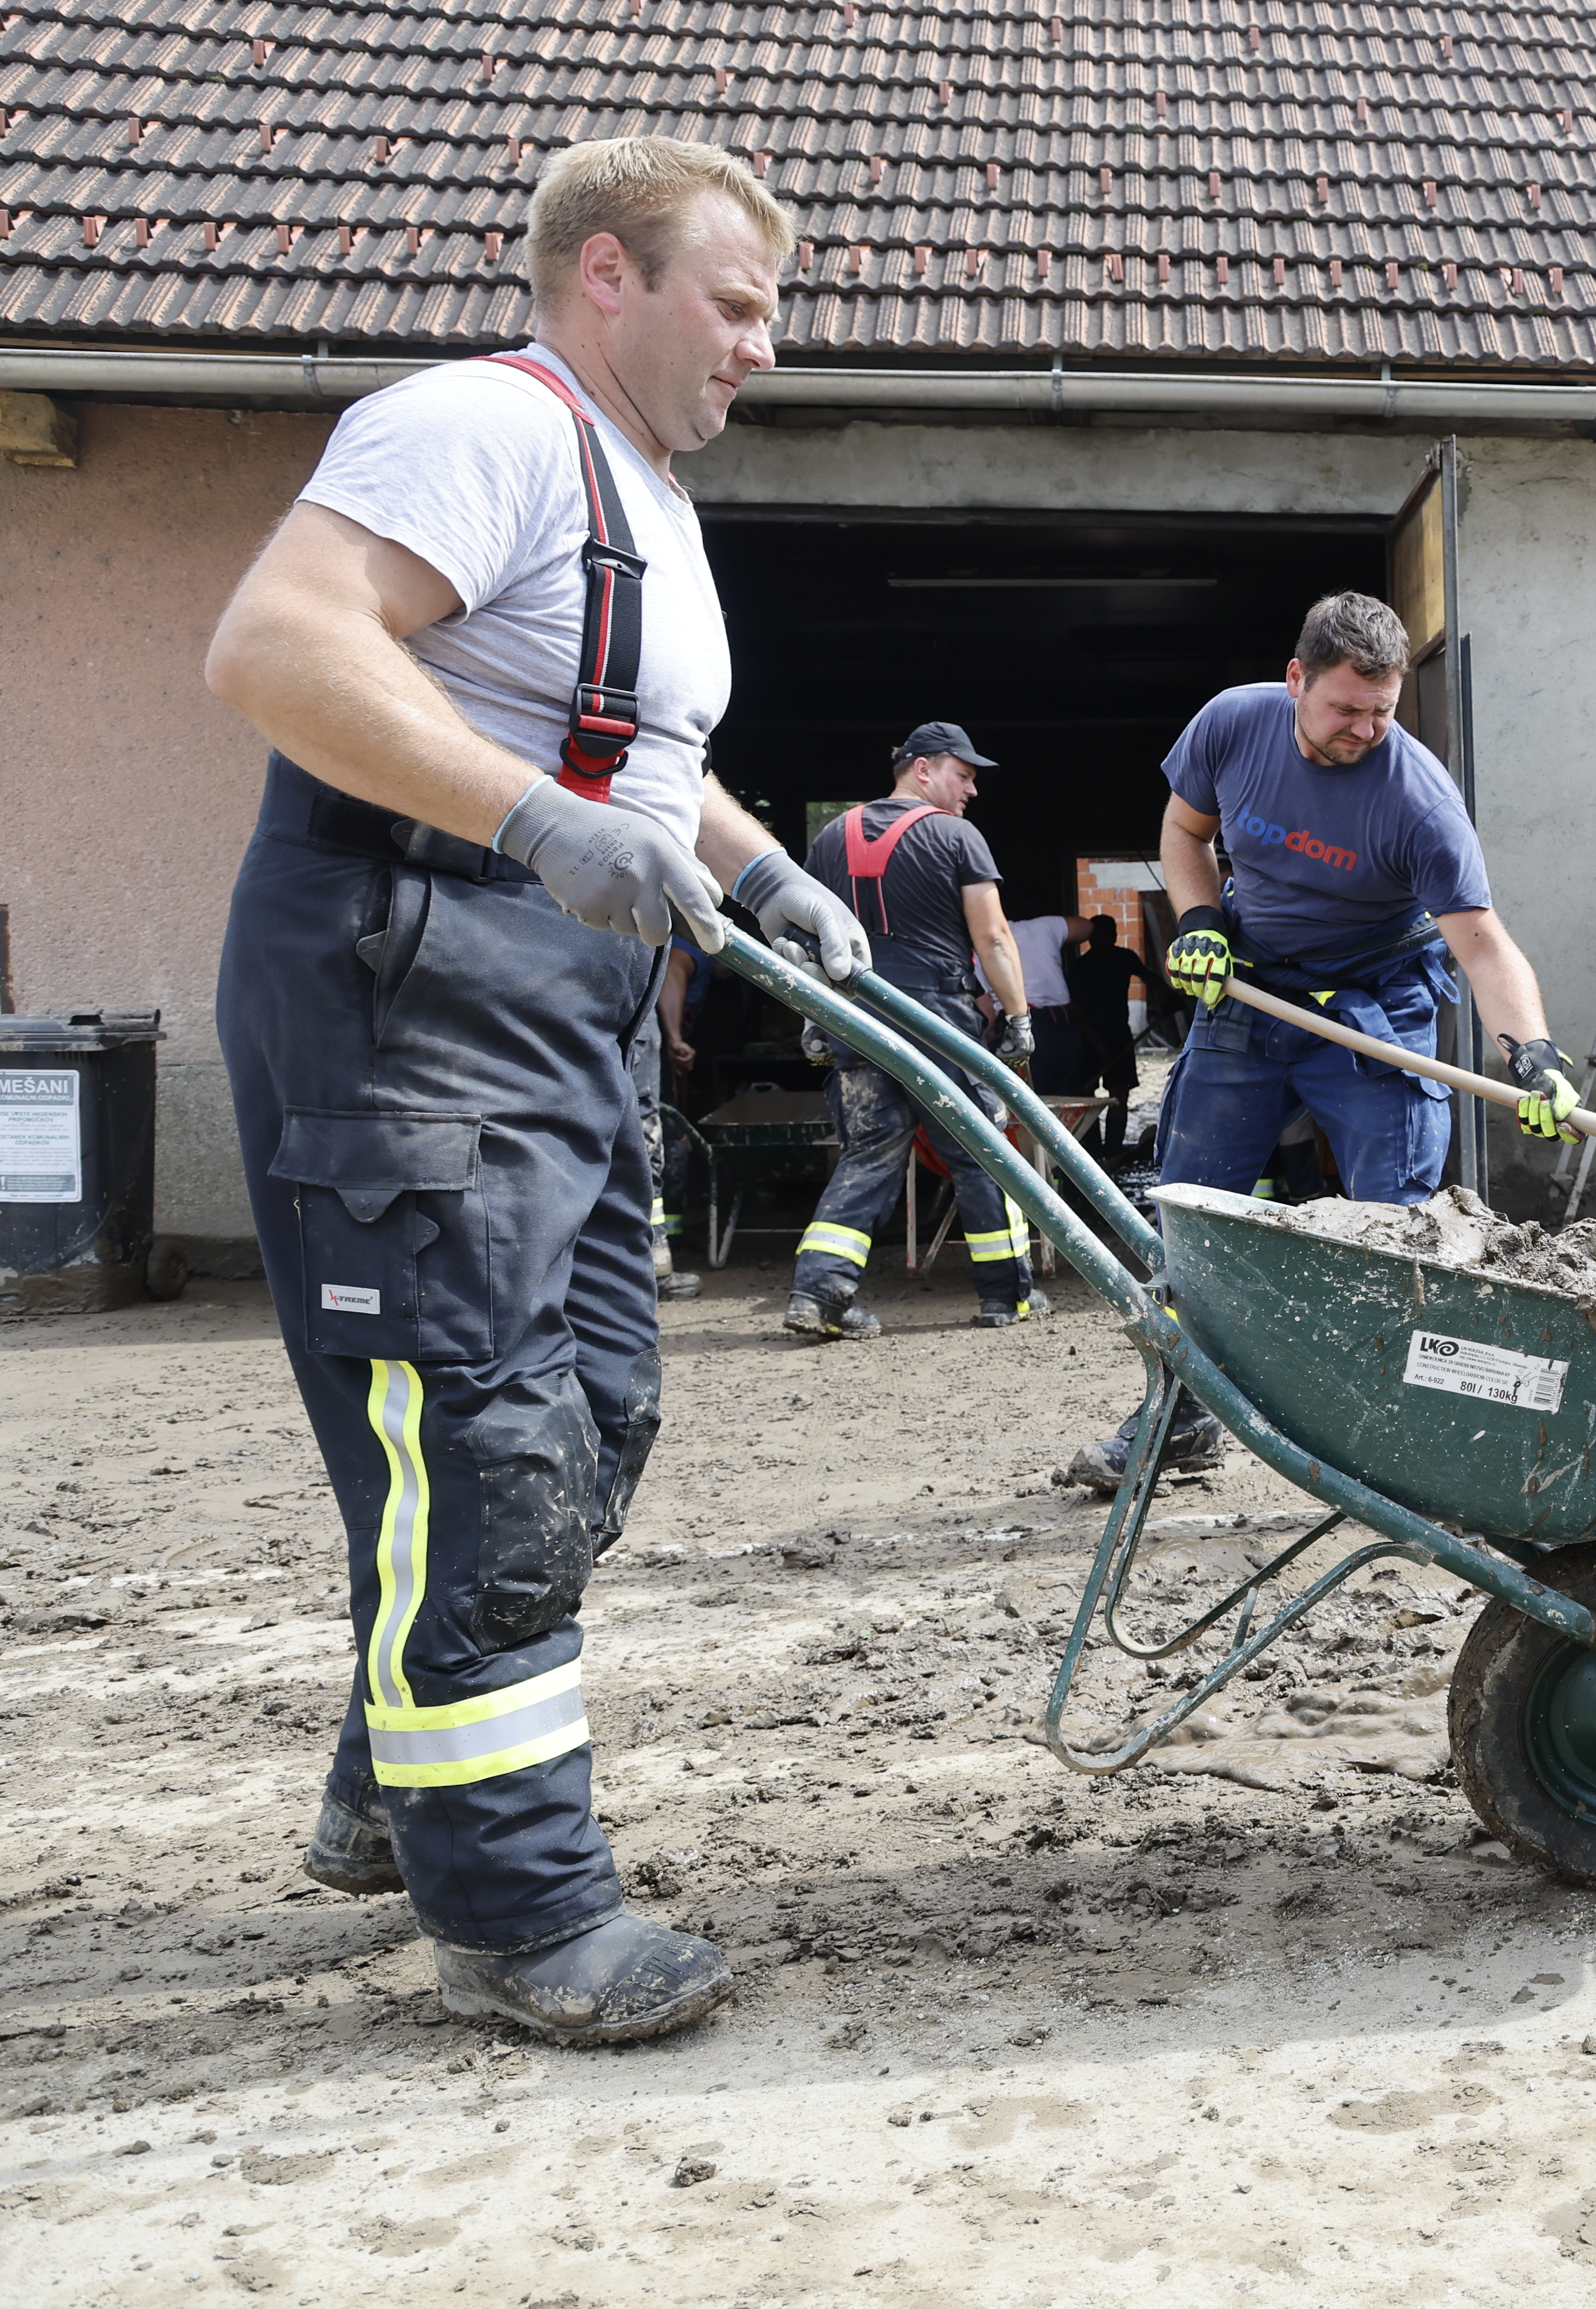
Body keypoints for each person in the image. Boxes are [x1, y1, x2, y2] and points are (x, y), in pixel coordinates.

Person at [201, 136, 872, 2046]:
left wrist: (763, 872)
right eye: (737, 304)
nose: (764, 346)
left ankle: (390, 1788)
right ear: (604, 274)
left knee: (593, 1418)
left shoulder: (641, 493)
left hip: (564, 988)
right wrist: (529, 821)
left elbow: (631, 753)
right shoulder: (476, 427)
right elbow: (279, 645)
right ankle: (519, 1913)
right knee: (481, 1434)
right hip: (411, 973)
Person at [1060, 591, 1582, 1492]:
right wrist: (1199, 919)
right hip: (1252, 985)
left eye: (1382, 712)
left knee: (1398, 1232)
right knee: (1193, 1216)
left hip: (1377, 999)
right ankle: (1180, 1421)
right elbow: (1185, 833)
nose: (1366, 730)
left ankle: (1406, 1448)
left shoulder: (1418, 799)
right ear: (1296, 680)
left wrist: (1531, 1052)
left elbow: (1485, 944)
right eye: (1347, 708)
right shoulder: (1233, 724)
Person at [786, 723, 1045, 1338]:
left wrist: (813, 1017)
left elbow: (800, 942)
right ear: (922, 770)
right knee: (978, 1151)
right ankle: (1006, 1296)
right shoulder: (957, 837)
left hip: (855, 1016)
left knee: (870, 1152)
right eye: (964, 775)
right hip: (937, 1021)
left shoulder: (829, 838)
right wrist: (1018, 1015)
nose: (972, 791)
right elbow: (993, 936)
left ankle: (818, 1293)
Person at [1061, 913, 1157, 1144]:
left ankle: (1114, 1151)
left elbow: (1150, 978)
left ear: (1115, 936)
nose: (1106, 940)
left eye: (1110, 935)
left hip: (1119, 1037)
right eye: (1100, 936)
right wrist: (1099, 1045)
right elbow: (1080, 1014)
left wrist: (1170, 998)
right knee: (1086, 1097)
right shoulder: (1081, 969)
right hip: (1088, 1041)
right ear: (1091, 939)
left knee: (1120, 1095)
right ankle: (1092, 1151)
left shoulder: (1125, 958)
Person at [645, 930, 704, 1301]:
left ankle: (660, 1255)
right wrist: (673, 1038)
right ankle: (654, 1266)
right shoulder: (700, 942)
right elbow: (672, 971)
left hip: (646, 1041)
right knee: (649, 1141)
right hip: (645, 1040)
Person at [989, 909, 1083, 1089]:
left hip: (1025, 1029)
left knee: (1028, 1102)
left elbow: (987, 1017)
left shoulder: (983, 947)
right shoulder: (1042, 926)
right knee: (1067, 1097)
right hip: (1066, 1028)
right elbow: (1087, 926)